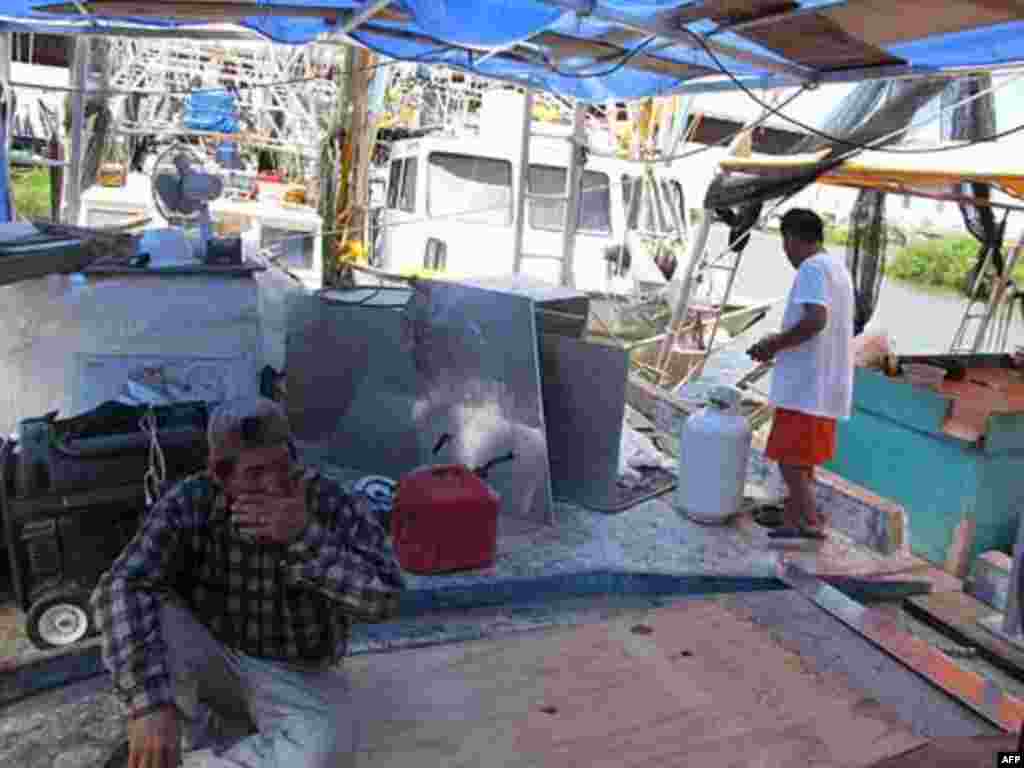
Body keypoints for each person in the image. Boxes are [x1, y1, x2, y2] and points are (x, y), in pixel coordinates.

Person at [93, 397, 404, 768]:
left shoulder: (327, 500)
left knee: (324, 755)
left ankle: (200, 755)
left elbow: (385, 599)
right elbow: (121, 585)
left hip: (296, 670)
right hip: (214, 652)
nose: (273, 485)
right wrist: (149, 706)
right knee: (145, 608)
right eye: (255, 473)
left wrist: (304, 536)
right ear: (219, 475)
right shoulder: (192, 500)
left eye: (282, 466)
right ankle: (179, 730)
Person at [747, 208, 855, 539]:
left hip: (807, 386)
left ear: (792, 238)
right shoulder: (837, 268)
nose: (785, 252)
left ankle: (810, 521)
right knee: (803, 460)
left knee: (789, 460)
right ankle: (792, 520)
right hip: (825, 384)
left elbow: (815, 320)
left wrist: (773, 344)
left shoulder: (811, 268)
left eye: (785, 243)